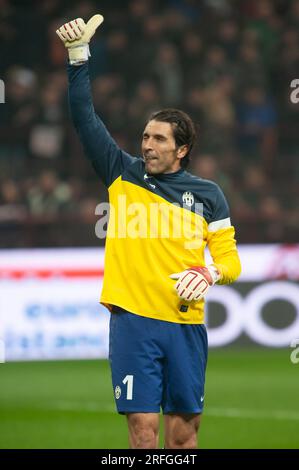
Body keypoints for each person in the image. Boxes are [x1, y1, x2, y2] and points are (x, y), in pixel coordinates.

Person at [56, 15, 241, 449]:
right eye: (144, 137)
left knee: (183, 439)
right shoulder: (121, 173)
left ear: (182, 149)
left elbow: (230, 261)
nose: (147, 145)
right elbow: (84, 118)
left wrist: (212, 274)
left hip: (184, 324)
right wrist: (78, 57)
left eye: (158, 139)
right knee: (142, 434)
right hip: (133, 321)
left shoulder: (210, 195)